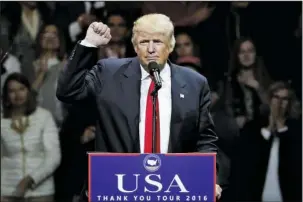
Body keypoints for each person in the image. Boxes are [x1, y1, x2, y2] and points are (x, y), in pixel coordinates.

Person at [56, 13, 222, 198]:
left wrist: (209, 178)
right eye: (144, 42)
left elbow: (205, 139)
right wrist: (87, 44)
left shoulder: (195, 83)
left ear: (171, 44)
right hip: (119, 188)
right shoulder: (108, 73)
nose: (151, 49)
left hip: (173, 188)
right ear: (135, 46)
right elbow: (67, 91)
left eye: (158, 41)